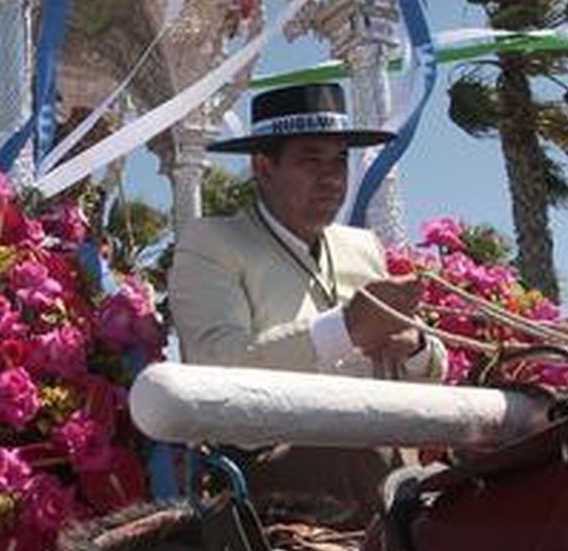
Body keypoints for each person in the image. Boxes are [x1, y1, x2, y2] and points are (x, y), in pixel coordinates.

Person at [167, 82, 447, 523]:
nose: (332, 176)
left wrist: (413, 348)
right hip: (273, 478)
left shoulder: (362, 246)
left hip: (389, 472)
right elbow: (215, 369)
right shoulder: (211, 243)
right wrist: (346, 330)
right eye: (310, 159)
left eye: (339, 160)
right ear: (263, 167)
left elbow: (431, 367)